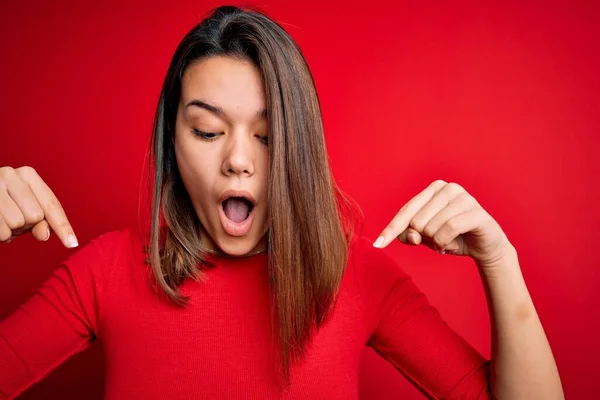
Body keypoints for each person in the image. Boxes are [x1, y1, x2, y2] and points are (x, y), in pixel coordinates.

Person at [0, 5, 563, 400]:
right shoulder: (105, 272)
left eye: (267, 136)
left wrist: (500, 261)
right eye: (206, 131)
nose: (239, 160)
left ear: (301, 147)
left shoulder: (358, 276)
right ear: (171, 141)